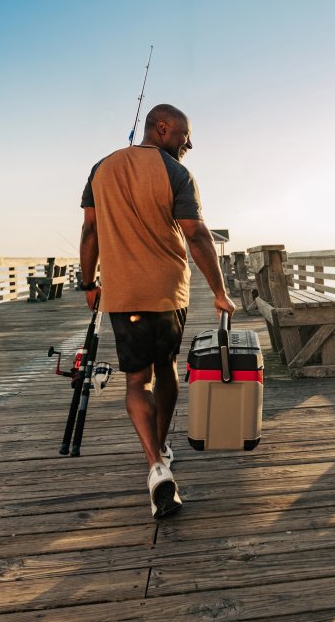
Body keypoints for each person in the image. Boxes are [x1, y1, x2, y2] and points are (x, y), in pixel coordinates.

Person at [79, 103, 235, 519]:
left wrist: (89, 283)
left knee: (135, 381)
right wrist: (220, 291)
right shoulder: (176, 173)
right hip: (167, 293)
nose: (189, 143)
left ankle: (155, 464)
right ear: (162, 127)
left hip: (123, 294)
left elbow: (90, 229)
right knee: (165, 368)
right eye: (185, 134)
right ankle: (161, 453)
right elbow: (196, 234)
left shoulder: (101, 169)